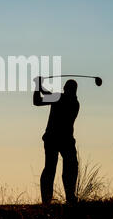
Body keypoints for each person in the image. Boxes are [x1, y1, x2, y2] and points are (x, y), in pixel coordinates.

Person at [33, 76, 80, 204]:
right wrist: (40, 86)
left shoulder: (60, 98)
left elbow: (37, 101)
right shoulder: (73, 102)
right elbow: (47, 95)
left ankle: (49, 200)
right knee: (68, 166)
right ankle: (69, 197)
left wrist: (38, 85)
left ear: (65, 89)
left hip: (54, 139)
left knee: (51, 168)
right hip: (65, 140)